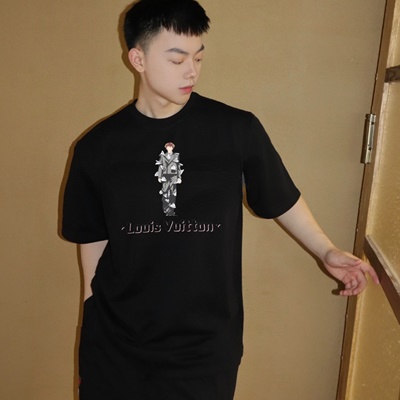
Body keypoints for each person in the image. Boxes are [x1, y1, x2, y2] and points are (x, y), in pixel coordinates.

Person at [61, 0, 379, 399]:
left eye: (198, 57)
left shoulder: (235, 130)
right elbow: (92, 242)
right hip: (116, 349)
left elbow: (280, 198)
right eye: (177, 59)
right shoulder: (97, 148)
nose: (191, 71)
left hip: (204, 349)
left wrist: (326, 250)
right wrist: (91, 328)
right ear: (137, 59)